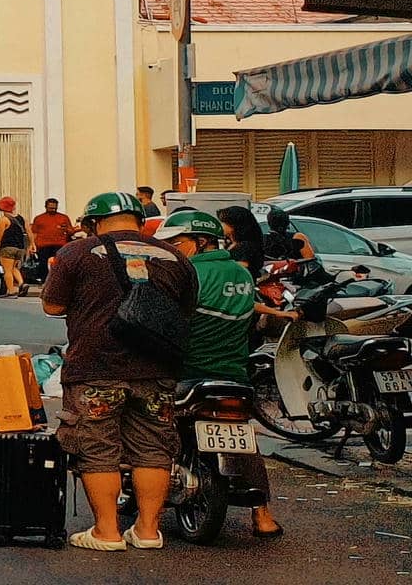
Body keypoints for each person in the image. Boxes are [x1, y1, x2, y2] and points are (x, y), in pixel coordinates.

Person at [41, 191, 198, 552]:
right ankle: (147, 531)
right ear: (140, 221)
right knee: (154, 449)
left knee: (97, 448)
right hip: (157, 368)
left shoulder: (76, 253)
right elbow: (186, 310)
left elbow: (52, 306)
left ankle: (107, 532)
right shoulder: (174, 256)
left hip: (96, 368)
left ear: (93, 222)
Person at [153, 210, 285, 539]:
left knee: (147, 422)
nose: (172, 249)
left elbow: (160, 322)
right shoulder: (241, 274)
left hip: (186, 372)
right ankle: (263, 515)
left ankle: (147, 512)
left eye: (176, 243)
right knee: (242, 436)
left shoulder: (185, 273)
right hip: (234, 373)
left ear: (200, 241)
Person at [29, 197, 73, 284]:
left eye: (54, 208)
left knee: (59, 263)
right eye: (50, 208)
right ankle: (44, 280)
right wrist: (32, 245)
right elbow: (34, 233)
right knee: (43, 263)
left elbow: (71, 231)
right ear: (46, 207)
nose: (53, 210)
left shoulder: (63, 217)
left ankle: (59, 280)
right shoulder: (39, 218)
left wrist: (66, 229)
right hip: (43, 244)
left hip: (59, 244)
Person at [0, 196, 29, 298]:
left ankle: (11, 291)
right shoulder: (21, 218)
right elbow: (28, 231)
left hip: (8, 247)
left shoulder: (3, 219)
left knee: (7, 270)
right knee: (13, 268)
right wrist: (32, 244)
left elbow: (0, 235)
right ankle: (21, 283)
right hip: (20, 248)